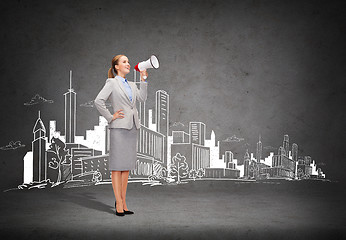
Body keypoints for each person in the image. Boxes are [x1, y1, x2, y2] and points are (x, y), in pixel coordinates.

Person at [94, 55, 148, 216]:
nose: (128, 64)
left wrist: (143, 79)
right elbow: (98, 101)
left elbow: (142, 98)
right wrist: (111, 117)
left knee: (126, 167)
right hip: (118, 128)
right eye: (124, 62)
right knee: (117, 167)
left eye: (128, 62)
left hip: (132, 127)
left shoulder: (132, 84)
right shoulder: (111, 82)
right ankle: (118, 202)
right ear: (116, 66)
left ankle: (123, 201)